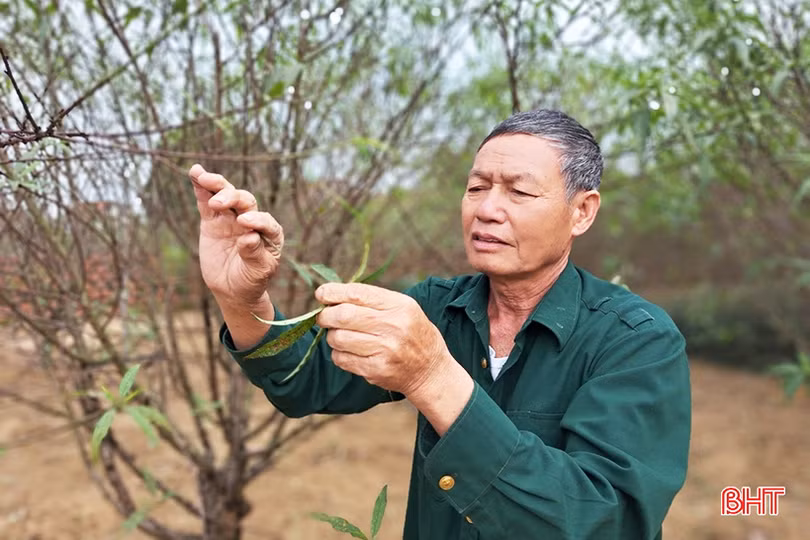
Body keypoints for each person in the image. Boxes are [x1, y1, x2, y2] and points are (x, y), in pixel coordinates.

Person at [188, 109, 691, 539]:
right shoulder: (437, 307)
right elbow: (305, 382)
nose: (487, 209)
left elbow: (605, 520)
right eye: (476, 187)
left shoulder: (635, 339)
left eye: (518, 192)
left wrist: (433, 377)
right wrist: (241, 298)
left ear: (581, 211)